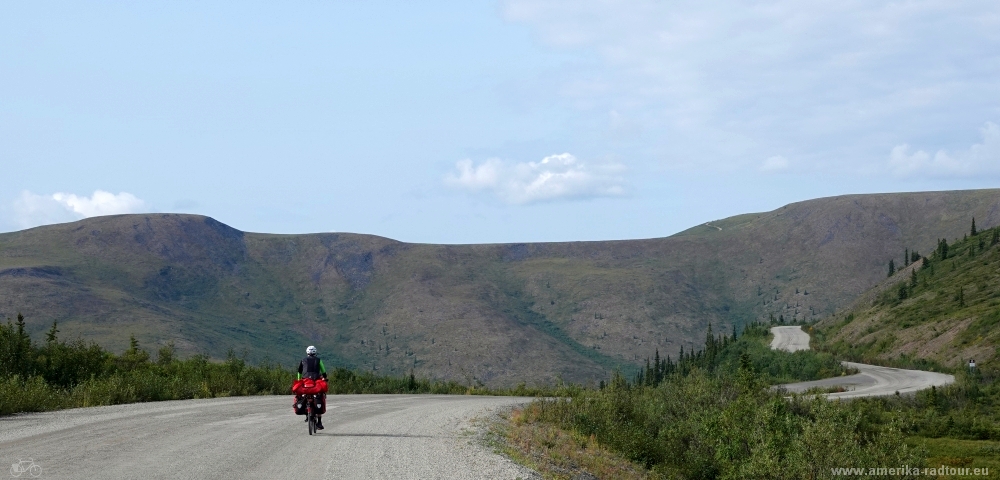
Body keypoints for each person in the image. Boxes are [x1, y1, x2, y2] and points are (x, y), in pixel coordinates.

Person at [297, 345, 328, 429]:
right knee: (320, 397)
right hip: (315, 382)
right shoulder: (319, 360)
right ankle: (319, 422)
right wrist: (325, 378)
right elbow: (323, 371)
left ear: (307, 352)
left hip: (305, 381)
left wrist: (300, 380)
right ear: (315, 352)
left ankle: (306, 413)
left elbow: (299, 372)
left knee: (302, 396)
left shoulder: (303, 360)